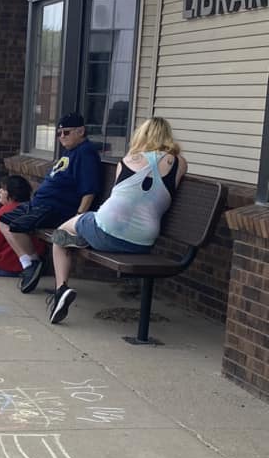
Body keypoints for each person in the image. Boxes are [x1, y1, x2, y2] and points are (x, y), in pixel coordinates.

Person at [47, 116, 188, 324]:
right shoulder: (179, 163)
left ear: (140, 135)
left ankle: (61, 290)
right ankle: (81, 239)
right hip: (142, 241)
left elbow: (119, 198)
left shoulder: (128, 161)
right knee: (83, 227)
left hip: (106, 230)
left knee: (60, 234)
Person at [0, 112, 102, 294]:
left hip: (56, 209)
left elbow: (90, 190)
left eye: (66, 132)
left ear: (81, 131)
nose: (61, 137)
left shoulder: (86, 153)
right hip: (40, 205)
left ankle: (33, 264)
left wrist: (77, 219)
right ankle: (30, 263)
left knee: (16, 225)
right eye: (59, 133)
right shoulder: (70, 152)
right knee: (3, 220)